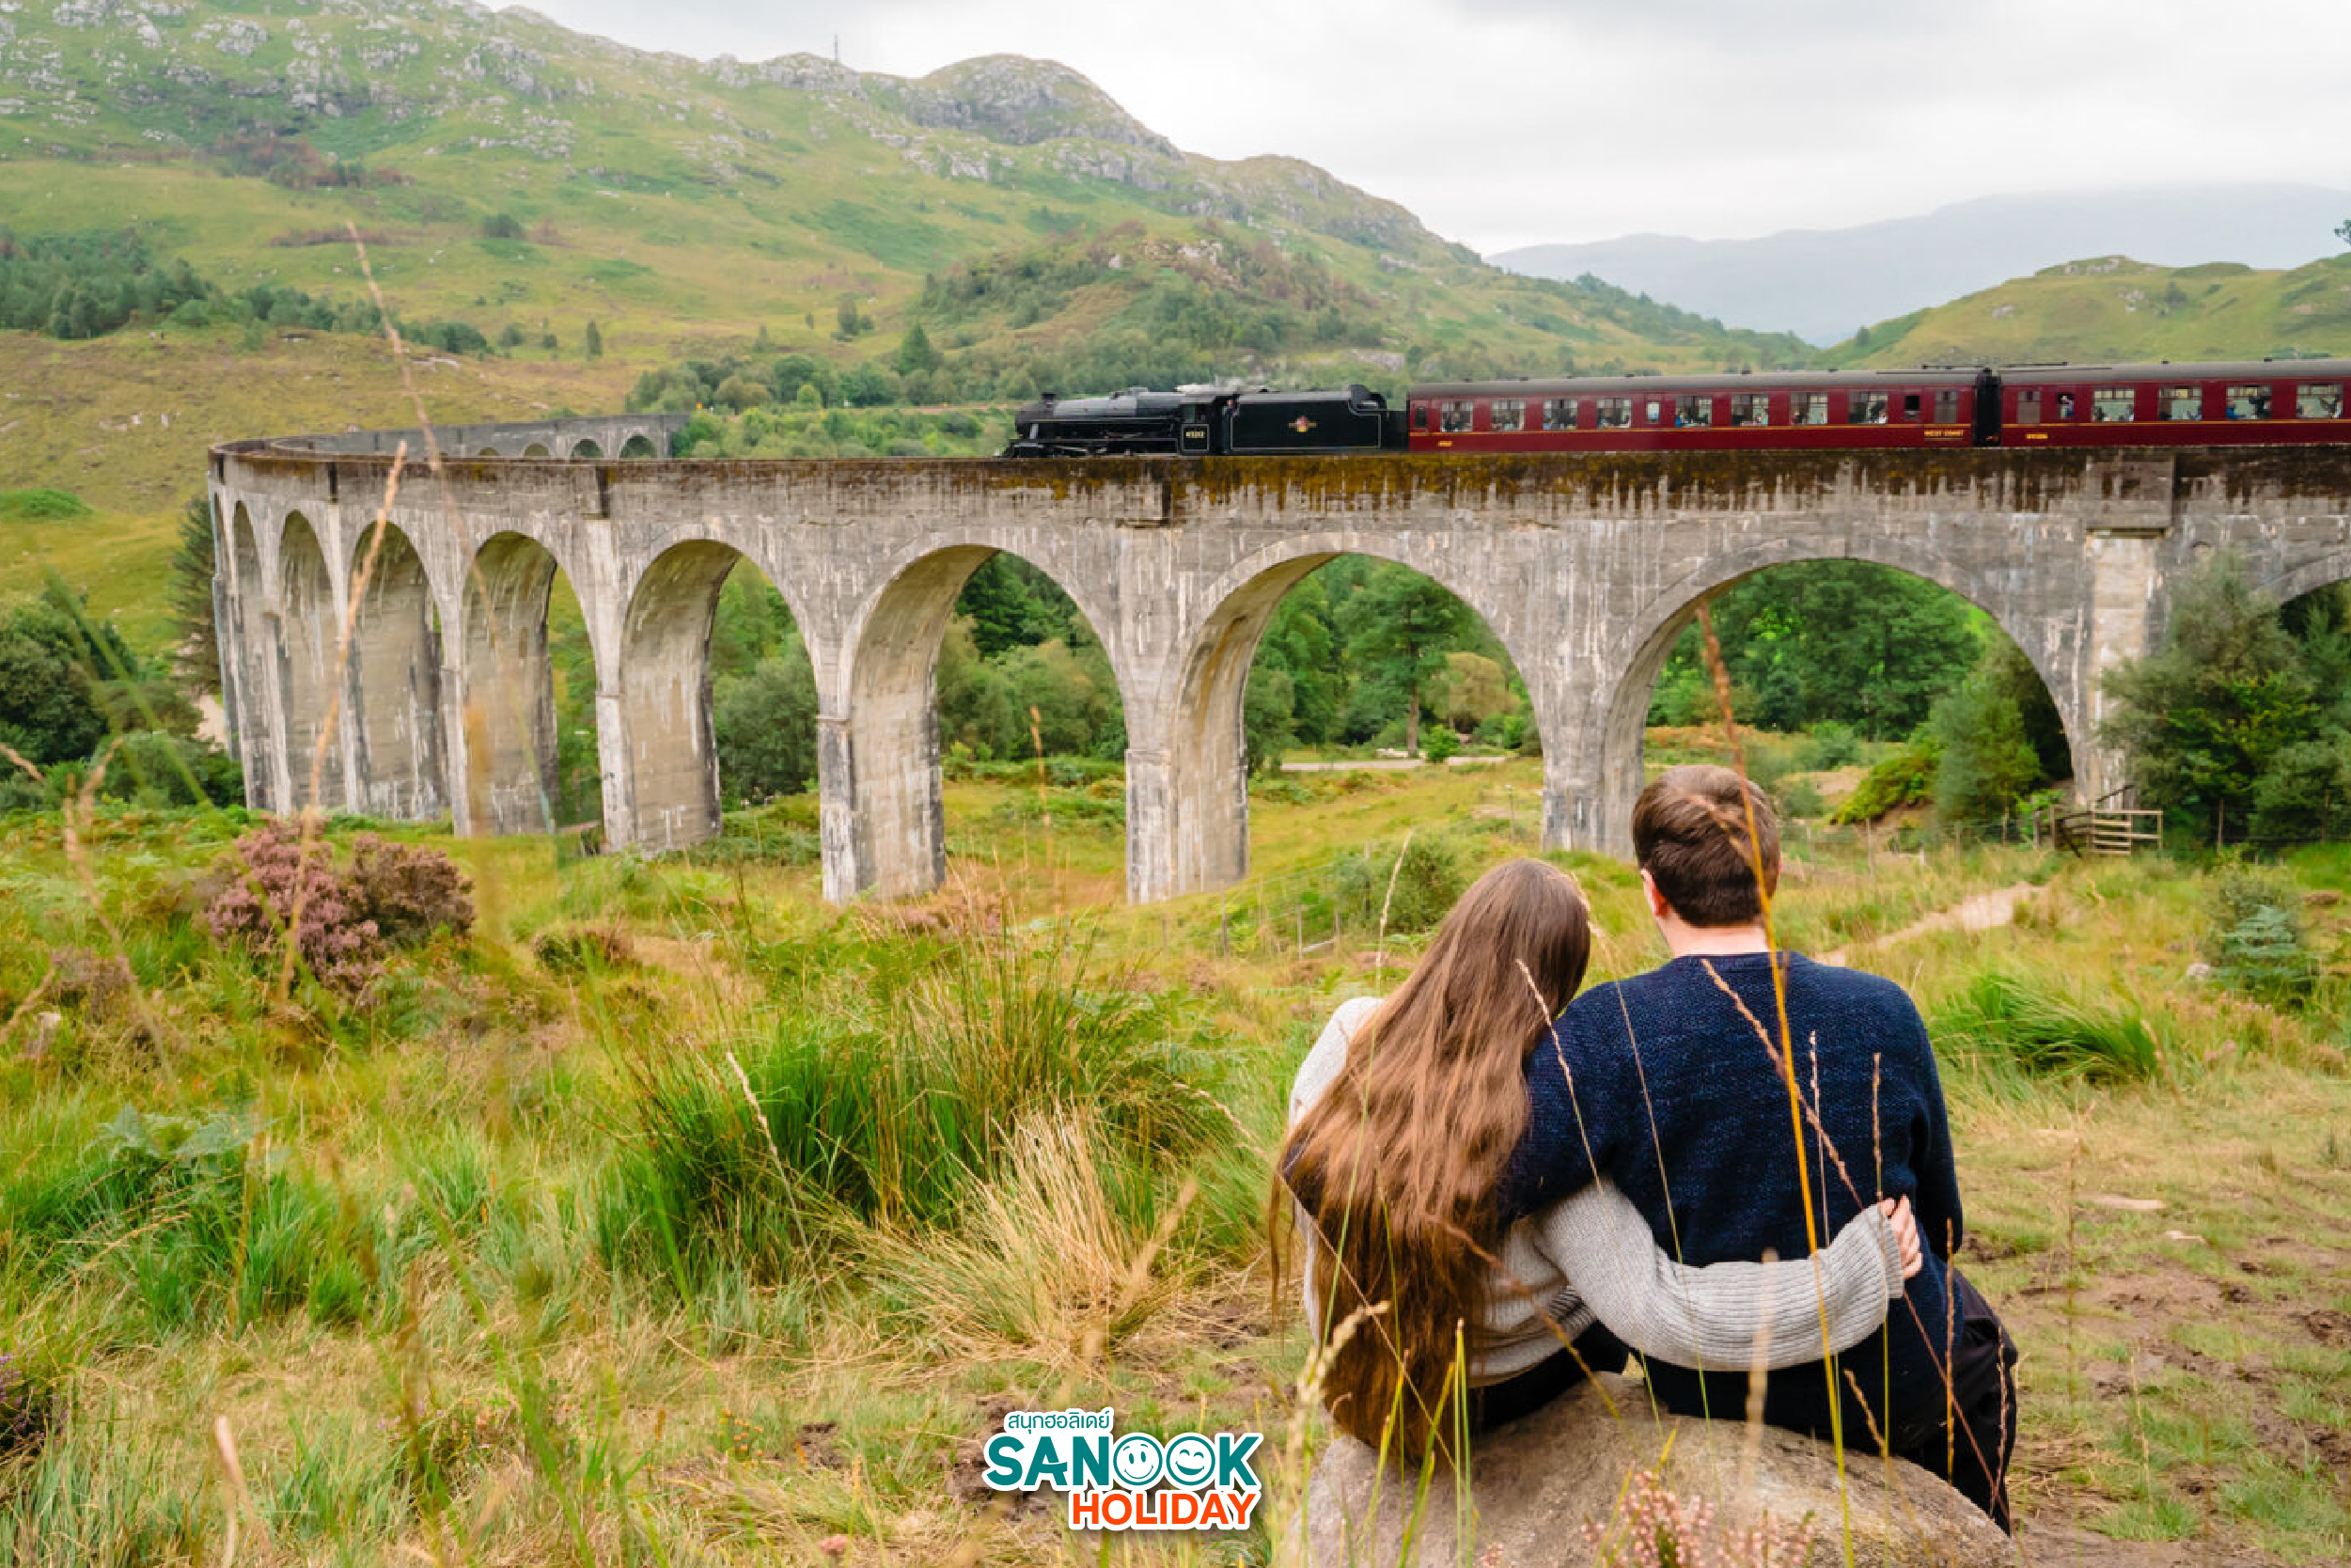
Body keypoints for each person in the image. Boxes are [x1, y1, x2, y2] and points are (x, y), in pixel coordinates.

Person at [1499, 768, 2017, 1530]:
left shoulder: (1603, 1030)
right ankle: (1973, 1536)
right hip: (1890, 1377)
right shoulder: (1882, 1009)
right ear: (1772, 876)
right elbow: (1940, 1227)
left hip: (1709, 1386)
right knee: (1978, 1345)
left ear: (1651, 892)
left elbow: (1511, 1179)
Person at [1277, 857, 1922, 1462]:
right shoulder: (1532, 1119)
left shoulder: (1346, 1032)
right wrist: (1855, 1271)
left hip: (1348, 1376)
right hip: (1481, 1400)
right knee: (1608, 1304)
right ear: (1559, 981)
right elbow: (1660, 1313)